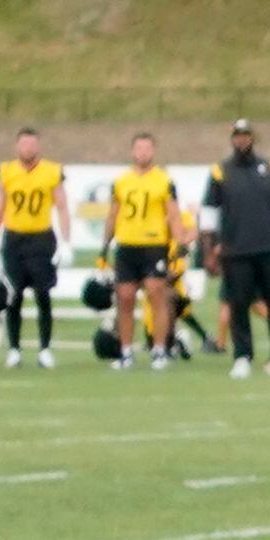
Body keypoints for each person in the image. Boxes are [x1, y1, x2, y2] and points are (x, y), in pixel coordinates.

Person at [202, 119, 270, 377]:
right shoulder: (220, 171)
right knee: (239, 304)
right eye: (237, 136)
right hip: (236, 249)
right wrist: (208, 250)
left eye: (245, 135)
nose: (242, 140)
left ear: (252, 138)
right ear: (232, 139)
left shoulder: (268, 167)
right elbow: (209, 213)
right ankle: (242, 356)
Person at [98, 132, 183, 367]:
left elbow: (173, 214)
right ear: (132, 151)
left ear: (153, 151)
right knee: (124, 298)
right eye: (139, 148)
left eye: (147, 148)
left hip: (153, 245)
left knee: (157, 294)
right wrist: (105, 245)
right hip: (126, 245)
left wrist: (180, 242)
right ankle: (126, 351)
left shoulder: (164, 180)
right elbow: (113, 214)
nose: (143, 152)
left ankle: (159, 350)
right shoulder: (122, 181)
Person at [0, 125, 67, 367]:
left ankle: (44, 348)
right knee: (14, 295)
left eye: (32, 144)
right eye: (23, 144)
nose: (28, 148)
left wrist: (66, 241)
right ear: (16, 146)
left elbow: (62, 206)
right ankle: (15, 349)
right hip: (14, 238)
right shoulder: (6, 171)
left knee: (43, 294)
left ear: (38, 146)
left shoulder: (52, 171)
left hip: (41, 238)